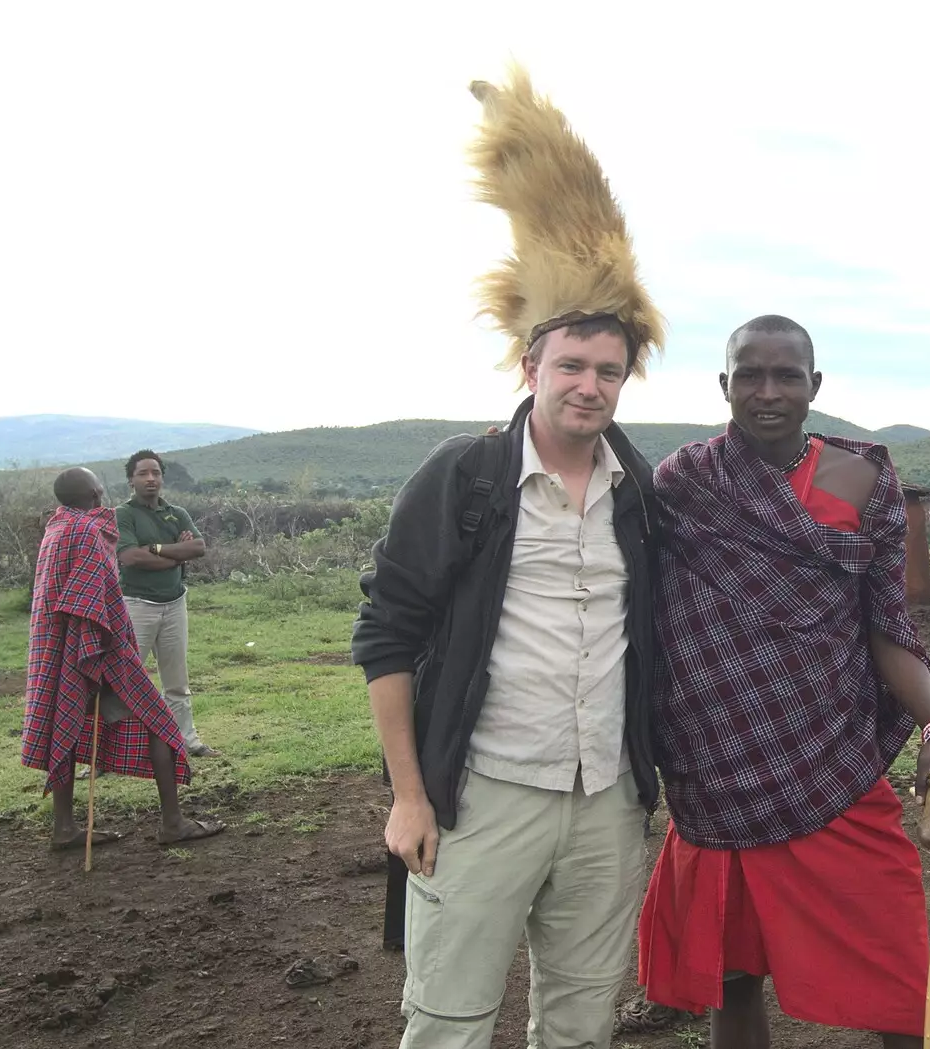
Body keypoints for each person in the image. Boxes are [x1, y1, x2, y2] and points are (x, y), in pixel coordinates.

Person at [350, 67, 666, 1049]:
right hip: (484, 792)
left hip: (609, 801)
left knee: (579, 1022)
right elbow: (387, 635)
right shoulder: (466, 477)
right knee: (447, 1021)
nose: (589, 385)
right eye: (570, 365)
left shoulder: (638, 490)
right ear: (529, 365)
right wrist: (408, 795)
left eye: (608, 371)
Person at [637, 315, 930, 1048]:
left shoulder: (862, 480)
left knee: (895, 968)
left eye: (787, 375)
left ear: (815, 386)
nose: (767, 391)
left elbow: (888, 626)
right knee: (733, 977)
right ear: (723, 385)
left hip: (831, 764)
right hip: (714, 768)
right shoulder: (684, 483)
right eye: (748, 374)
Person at [21, 467, 225, 848]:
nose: (104, 500)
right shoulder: (85, 532)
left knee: (63, 726)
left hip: (57, 648)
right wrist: (97, 657)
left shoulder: (57, 528)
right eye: (100, 492)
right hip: (94, 647)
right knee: (159, 721)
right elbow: (93, 600)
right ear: (94, 496)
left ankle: (64, 828)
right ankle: (173, 823)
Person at [114, 449, 217, 757]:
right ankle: (110, 753)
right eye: (143, 473)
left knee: (176, 679)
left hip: (174, 603)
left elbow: (198, 547)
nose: (150, 479)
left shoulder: (177, 512)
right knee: (125, 679)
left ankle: (188, 740)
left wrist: (157, 549)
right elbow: (130, 557)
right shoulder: (123, 514)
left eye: (155, 473)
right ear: (131, 479)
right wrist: (175, 555)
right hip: (137, 605)